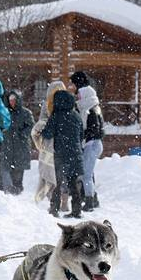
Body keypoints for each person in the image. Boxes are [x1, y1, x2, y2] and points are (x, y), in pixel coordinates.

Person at [40, 89, 85, 218]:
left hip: (60, 154)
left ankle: (54, 208)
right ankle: (77, 210)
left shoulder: (56, 116)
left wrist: (42, 130)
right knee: (73, 183)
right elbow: (81, 135)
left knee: (57, 183)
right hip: (76, 154)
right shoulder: (76, 115)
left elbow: (47, 133)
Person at [71, 71, 104, 211]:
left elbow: (94, 131)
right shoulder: (89, 109)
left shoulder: (91, 111)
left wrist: (84, 140)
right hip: (92, 144)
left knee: (86, 175)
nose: (77, 97)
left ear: (84, 96)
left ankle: (90, 201)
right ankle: (93, 197)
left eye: (79, 95)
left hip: (92, 144)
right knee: (88, 173)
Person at [31, 80, 65, 204]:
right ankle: (54, 200)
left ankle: (58, 202)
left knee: (58, 173)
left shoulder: (65, 103)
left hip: (59, 142)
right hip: (51, 143)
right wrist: (44, 125)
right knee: (51, 171)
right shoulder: (47, 104)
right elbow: (43, 120)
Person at [0, 90, 34, 195]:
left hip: (21, 147)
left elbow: (31, 126)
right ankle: (11, 192)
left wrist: (22, 134)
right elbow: (0, 125)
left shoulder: (26, 113)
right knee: (8, 171)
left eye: (14, 100)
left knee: (18, 172)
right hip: (8, 146)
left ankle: (18, 191)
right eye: (10, 100)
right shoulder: (5, 113)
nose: (12, 102)